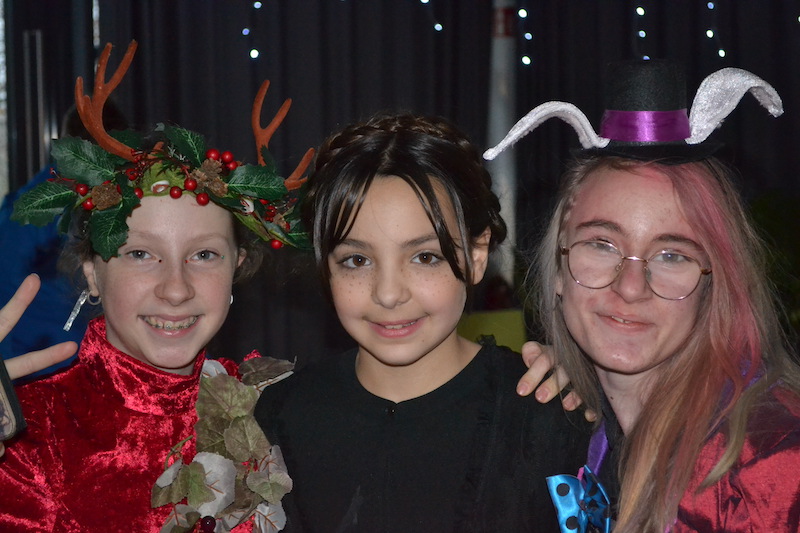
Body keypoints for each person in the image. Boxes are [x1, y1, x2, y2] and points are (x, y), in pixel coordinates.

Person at [0, 41, 312, 532]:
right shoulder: (32, 438)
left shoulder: (281, 413)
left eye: (204, 255)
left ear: (237, 267)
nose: (176, 288)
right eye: (141, 254)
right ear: (92, 272)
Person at [487, 59, 800, 532]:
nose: (630, 288)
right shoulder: (569, 437)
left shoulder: (769, 466)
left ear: (714, 284)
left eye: (671, 255)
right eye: (601, 244)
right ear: (560, 267)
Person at [254, 113, 592, 532]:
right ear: (326, 266)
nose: (389, 294)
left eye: (424, 257)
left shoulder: (549, 415)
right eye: (357, 260)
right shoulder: (278, 419)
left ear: (477, 254)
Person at [0, 103, 127, 378]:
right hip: (43, 356)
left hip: (68, 350)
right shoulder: (49, 199)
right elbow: (9, 275)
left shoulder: (108, 192)